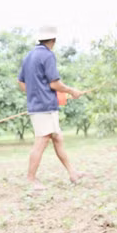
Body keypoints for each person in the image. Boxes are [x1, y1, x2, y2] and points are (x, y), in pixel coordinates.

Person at [17, 25, 85, 187]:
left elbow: (20, 83)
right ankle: (31, 179)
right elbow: (54, 84)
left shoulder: (29, 56)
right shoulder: (48, 56)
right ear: (53, 40)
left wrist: (34, 94)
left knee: (57, 138)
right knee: (42, 141)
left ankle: (72, 173)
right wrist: (72, 91)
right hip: (45, 108)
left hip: (41, 106)